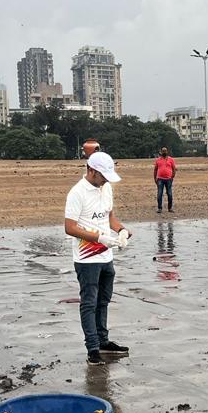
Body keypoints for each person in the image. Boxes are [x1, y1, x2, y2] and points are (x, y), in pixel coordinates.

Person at [64, 152, 133, 365]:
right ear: (91, 170)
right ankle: (92, 348)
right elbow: (70, 227)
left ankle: (103, 341)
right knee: (89, 303)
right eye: (103, 176)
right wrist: (99, 237)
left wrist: (121, 230)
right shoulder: (77, 193)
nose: (105, 180)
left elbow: (109, 216)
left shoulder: (107, 188)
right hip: (87, 259)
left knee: (104, 300)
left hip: (106, 256)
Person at [154, 146, 176, 213]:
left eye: (165, 151)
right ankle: (159, 208)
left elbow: (174, 169)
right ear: (161, 152)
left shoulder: (171, 159)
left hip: (169, 179)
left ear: (167, 151)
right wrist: (155, 178)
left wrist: (172, 177)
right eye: (163, 151)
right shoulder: (158, 160)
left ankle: (170, 208)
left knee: (169, 194)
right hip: (160, 179)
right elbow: (155, 170)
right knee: (159, 194)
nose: (164, 152)